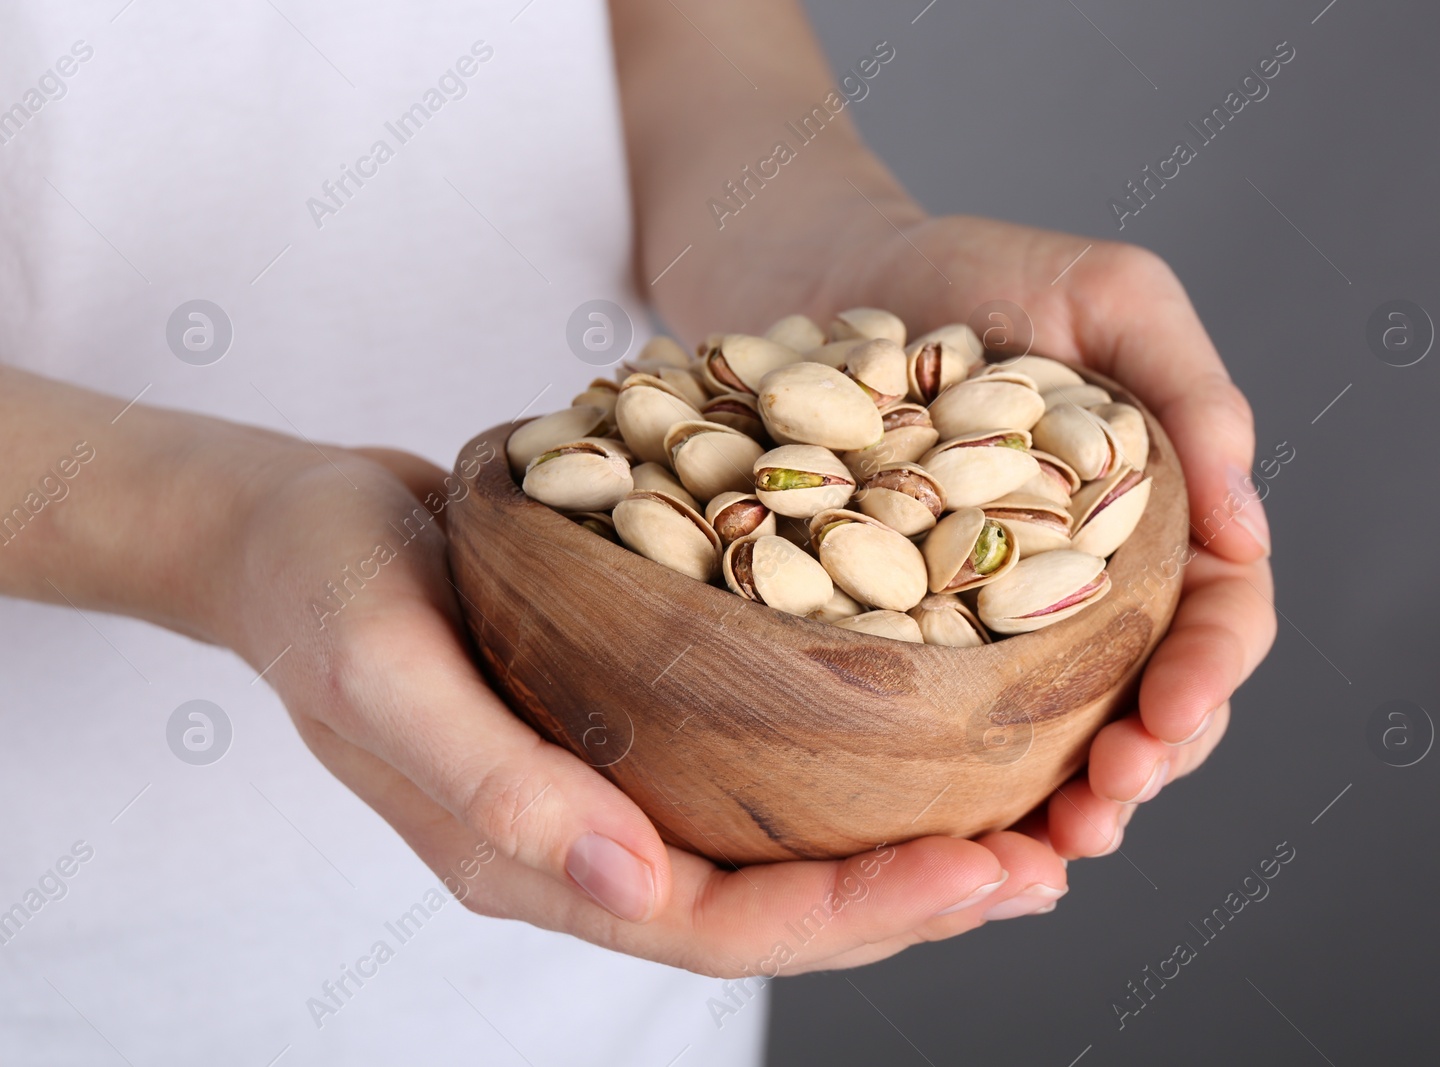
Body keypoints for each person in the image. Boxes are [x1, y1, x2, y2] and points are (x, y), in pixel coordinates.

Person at [0, 1, 1274, 1063]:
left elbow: (672, 29)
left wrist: (834, 249)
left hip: (615, 912)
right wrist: (213, 527)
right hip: (67, 953)